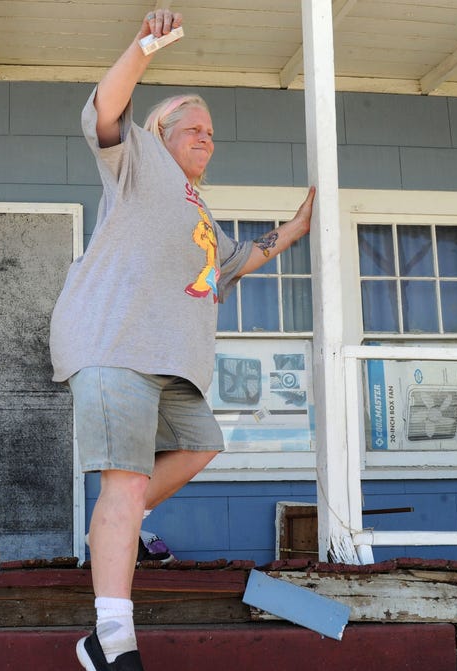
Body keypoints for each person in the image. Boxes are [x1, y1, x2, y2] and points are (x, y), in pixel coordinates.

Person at [48, 8, 317, 671]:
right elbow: (105, 111)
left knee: (201, 444)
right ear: (161, 133)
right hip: (114, 344)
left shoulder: (199, 213)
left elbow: (235, 262)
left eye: (213, 133)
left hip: (168, 363)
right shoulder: (136, 162)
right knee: (125, 479)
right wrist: (143, 47)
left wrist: (293, 230)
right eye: (194, 127)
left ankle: (113, 526)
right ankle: (109, 636)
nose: (207, 138)